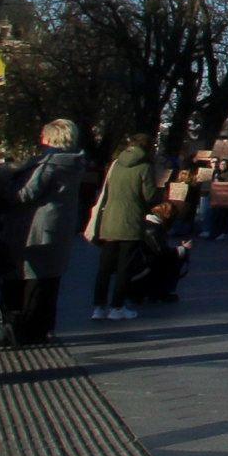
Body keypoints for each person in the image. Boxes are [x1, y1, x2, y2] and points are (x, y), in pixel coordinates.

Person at [13, 121, 93, 345]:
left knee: (33, 278)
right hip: (61, 226)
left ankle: (28, 329)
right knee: (51, 279)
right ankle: (45, 327)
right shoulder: (75, 161)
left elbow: (28, 193)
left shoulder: (50, 163)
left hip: (39, 226)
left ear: (51, 138)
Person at [87, 133, 154, 321]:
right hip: (131, 222)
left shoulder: (115, 164)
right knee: (124, 267)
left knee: (105, 267)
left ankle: (99, 307)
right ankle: (117, 307)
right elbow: (149, 196)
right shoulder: (145, 167)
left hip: (109, 219)